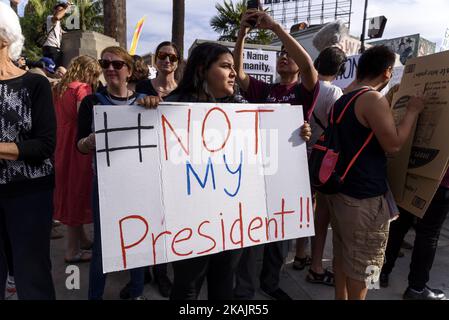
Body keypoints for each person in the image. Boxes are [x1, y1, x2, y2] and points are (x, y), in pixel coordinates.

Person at [322, 45, 424, 300]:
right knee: (368, 264)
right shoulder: (372, 99)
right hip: (364, 200)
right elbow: (394, 144)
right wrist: (412, 111)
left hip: (341, 193)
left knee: (343, 254)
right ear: (388, 72)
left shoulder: (344, 98)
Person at [232, 9, 318, 300]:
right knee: (252, 233)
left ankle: (270, 283)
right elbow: (238, 72)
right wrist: (242, 34)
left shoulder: (304, 91)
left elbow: (308, 66)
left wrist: (277, 28)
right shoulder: (264, 90)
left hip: (291, 175)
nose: (284, 56)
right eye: (280, 53)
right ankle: (245, 289)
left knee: (281, 235)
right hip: (260, 174)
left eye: (289, 54)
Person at [77, 46, 147, 300]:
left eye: (117, 64)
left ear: (128, 70)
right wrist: (89, 142)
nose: (109, 69)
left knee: (139, 238)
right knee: (103, 246)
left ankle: (136, 292)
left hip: (139, 183)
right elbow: (79, 145)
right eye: (104, 64)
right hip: (105, 185)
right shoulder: (91, 102)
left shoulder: (143, 100)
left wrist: (153, 104)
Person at [0, 2, 56, 299]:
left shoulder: (34, 84)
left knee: (31, 274)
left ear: (4, 36)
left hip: (29, 192)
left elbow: (45, 145)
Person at [294, 47, 347, 287]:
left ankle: (300, 254)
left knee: (301, 206)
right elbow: (337, 126)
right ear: (340, 69)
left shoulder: (304, 87)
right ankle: (315, 265)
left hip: (298, 154)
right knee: (320, 212)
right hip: (320, 158)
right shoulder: (334, 91)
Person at [135, 41, 181, 298]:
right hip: (145, 162)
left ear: (178, 62)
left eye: (172, 57)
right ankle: (141, 274)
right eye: (163, 56)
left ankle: (162, 274)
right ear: (155, 60)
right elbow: (130, 115)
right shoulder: (142, 88)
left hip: (172, 165)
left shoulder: (184, 91)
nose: (167, 61)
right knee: (144, 218)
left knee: (164, 220)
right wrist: (143, 103)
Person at [53, 55, 102, 264]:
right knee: (77, 195)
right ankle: (72, 251)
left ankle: (81, 239)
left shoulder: (59, 88)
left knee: (69, 191)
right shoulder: (82, 88)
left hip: (62, 144)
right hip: (78, 147)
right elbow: (84, 118)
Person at [42, 2, 71, 67]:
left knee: (50, 68)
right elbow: (57, 16)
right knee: (54, 69)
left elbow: (62, 32)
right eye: (60, 10)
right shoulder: (50, 18)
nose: (61, 12)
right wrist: (66, 9)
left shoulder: (58, 23)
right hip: (51, 47)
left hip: (51, 48)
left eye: (62, 10)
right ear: (54, 10)